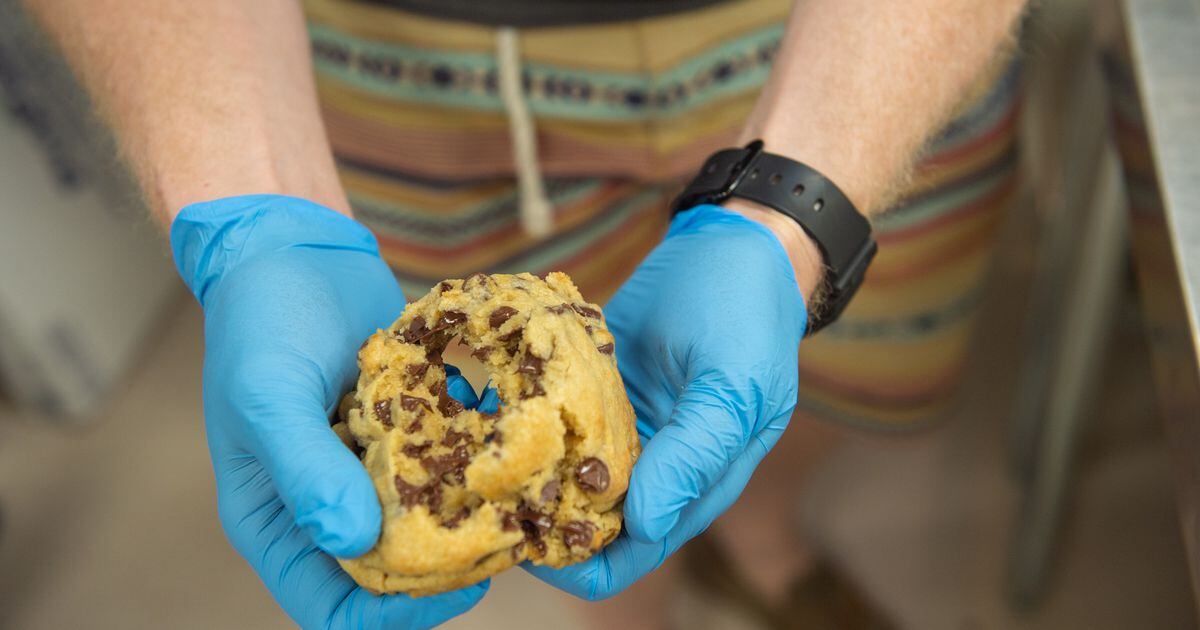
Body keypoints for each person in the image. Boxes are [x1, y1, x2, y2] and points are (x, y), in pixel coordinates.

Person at [22, 0, 1028, 627]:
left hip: (873, 48)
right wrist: (253, 198)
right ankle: (629, 604)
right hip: (392, 71)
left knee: (834, 362)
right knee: (657, 441)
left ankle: (761, 535)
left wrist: (797, 208)